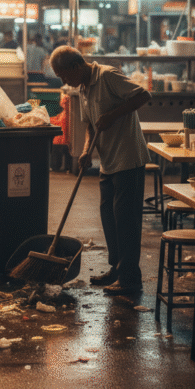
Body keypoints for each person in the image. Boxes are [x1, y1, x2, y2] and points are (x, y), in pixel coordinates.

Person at [50, 46, 151, 295]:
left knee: (126, 222)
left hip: (128, 159)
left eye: (64, 76)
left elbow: (143, 96)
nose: (65, 82)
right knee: (110, 220)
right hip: (108, 162)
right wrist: (86, 151)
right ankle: (117, 270)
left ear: (77, 66)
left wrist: (114, 115)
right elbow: (91, 128)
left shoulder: (106, 76)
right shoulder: (83, 88)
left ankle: (130, 278)